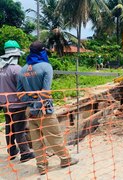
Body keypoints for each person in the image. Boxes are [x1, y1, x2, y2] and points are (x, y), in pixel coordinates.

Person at [17, 41, 78, 175]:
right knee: (54, 136)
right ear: (42, 52)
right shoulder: (46, 67)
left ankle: (42, 167)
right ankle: (65, 159)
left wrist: (31, 101)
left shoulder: (22, 70)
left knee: (37, 140)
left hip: (31, 112)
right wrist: (38, 103)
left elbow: (20, 94)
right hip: (45, 110)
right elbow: (46, 92)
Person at [0, 40, 35, 162]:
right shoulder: (17, 69)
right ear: (16, 55)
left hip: (5, 104)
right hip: (17, 104)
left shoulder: (1, 68)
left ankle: (12, 151)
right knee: (20, 128)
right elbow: (25, 86)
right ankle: (25, 153)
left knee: (9, 127)